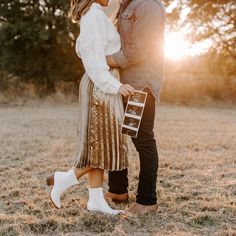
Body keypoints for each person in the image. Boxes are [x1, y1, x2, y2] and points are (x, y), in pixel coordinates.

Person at [46, 0, 134, 215]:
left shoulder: (96, 13)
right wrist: (116, 85)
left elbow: (113, 9)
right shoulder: (93, 15)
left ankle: (95, 201)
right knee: (100, 144)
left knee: (100, 144)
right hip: (100, 86)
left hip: (102, 84)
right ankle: (64, 179)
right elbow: (94, 61)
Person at [105, 0, 166, 215]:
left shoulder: (148, 5)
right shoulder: (127, 4)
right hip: (123, 84)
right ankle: (118, 190)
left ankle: (147, 202)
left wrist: (103, 61)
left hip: (140, 85)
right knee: (118, 137)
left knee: (142, 140)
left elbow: (139, 50)